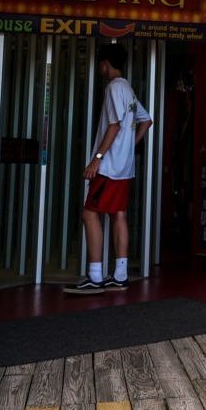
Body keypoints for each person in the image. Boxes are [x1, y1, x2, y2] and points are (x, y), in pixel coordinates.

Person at [65, 44, 152, 293]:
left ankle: (95, 275)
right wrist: (129, 146)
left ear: (105, 63)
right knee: (119, 215)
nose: (100, 68)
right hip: (123, 167)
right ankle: (120, 275)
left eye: (100, 63)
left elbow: (113, 126)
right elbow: (146, 121)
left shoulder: (114, 87)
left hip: (110, 166)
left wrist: (97, 158)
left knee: (89, 214)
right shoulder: (128, 89)